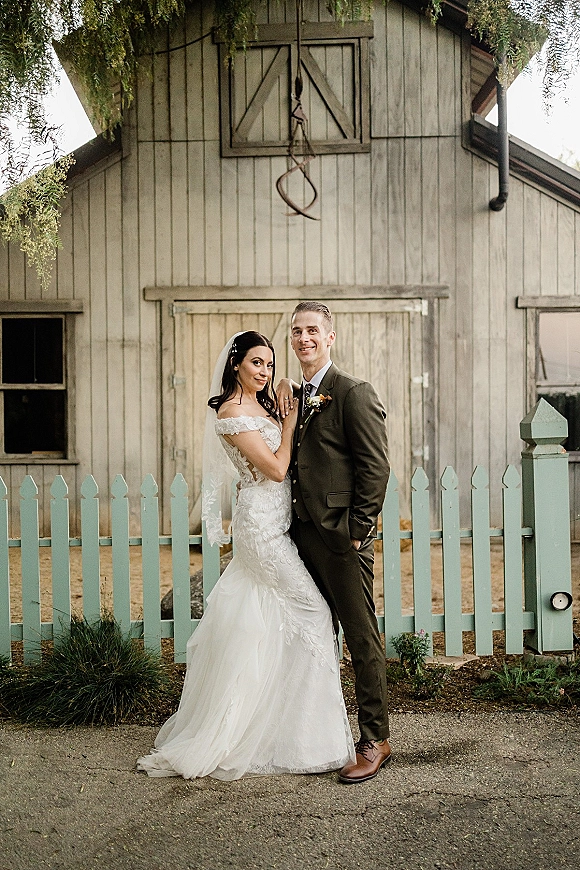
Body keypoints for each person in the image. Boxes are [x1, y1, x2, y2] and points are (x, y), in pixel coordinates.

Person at [137, 330, 355, 780]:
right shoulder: (231, 411)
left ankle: (278, 727)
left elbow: (284, 425)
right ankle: (301, 739)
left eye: (270, 364)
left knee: (266, 622)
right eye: (257, 363)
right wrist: (291, 421)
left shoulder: (262, 403)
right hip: (261, 527)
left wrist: (290, 398)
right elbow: (275, 469)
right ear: (236, 363)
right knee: (312, 614)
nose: (265, 371)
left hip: (278, 521)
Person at [278, 302, 391, 784]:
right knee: (313, 635)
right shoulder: (293, 393)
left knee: (361, 636)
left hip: (342, 539)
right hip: (300, 535)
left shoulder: (351, 392)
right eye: (296, 331)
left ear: (330, 337)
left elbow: (376, 467)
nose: (303, 338)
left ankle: (375, 738)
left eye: (312, 331)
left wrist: (357, 530)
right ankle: (318, 735)